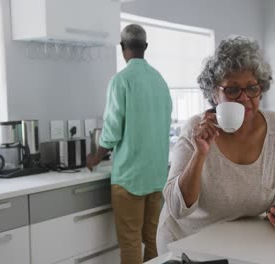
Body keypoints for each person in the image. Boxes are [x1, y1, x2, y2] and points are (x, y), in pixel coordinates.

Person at [157, 35, 275, 254]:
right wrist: (200, 153)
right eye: (233, 90)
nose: (244, 98)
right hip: (186, 245)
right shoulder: (195, 130)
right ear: (215, 93)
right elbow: (177, 209)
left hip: (239, 246)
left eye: (252, 88)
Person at [87, 24, 172, 264]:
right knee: (153, 239)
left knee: (131, 241)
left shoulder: (120, 81)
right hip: (156, 177)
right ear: (145, 47)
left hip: (129, 179)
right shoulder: (160, 81)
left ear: (122, 48)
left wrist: (95, 156)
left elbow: (112, 131)